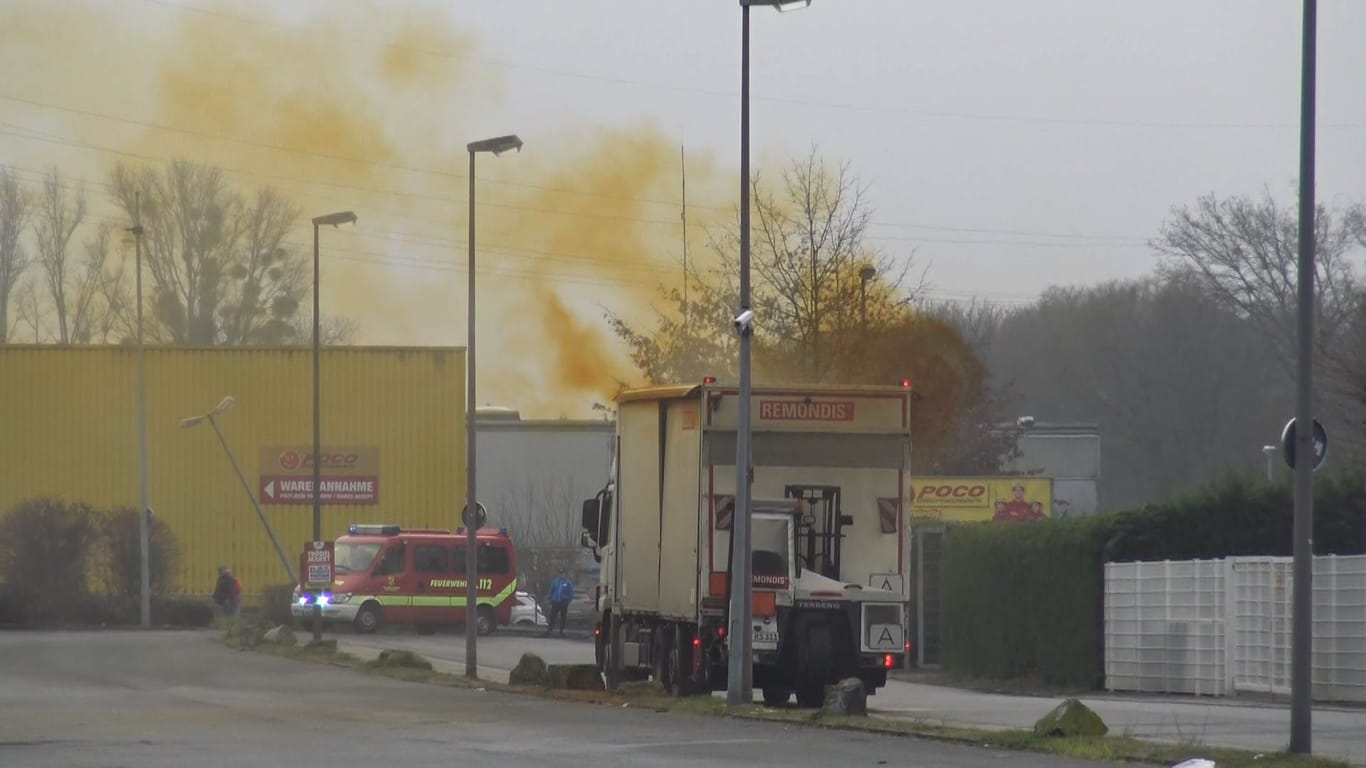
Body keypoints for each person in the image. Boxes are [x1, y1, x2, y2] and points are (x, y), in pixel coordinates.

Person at [545, 569, 573, 637]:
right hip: (555, 602)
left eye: (563, 573)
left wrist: (568, 600)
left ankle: (561, 631)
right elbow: (551, 590)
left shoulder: (568, 583)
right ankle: (549, 630)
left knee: (563, 617)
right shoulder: (555, 582)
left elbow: (571, 592)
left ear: (565, 574)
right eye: (560, 573)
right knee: (552, 616)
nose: (561, 575)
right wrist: (550, 598)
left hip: (564, 602)